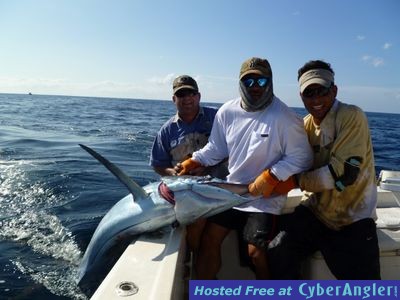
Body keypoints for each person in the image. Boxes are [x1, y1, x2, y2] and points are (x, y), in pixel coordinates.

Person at [178, 57, 313, 279]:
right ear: (240, 83)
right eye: (249, 82)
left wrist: (272, 175)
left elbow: (304, 158)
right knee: (208, 238)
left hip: (264, 199)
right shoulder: (227, 112)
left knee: (256, 254)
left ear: (270, 82)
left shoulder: (285, 117)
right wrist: (196, 160)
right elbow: (216, 148)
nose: (255, 87)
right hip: (232, 194)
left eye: (261, 81)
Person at [269, 60, 381, 279]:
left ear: (335, 90)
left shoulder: (351, 116)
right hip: (315, 213)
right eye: (309, 93)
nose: (316, 99)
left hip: (353, 220)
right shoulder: (304, 125)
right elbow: (286, 160)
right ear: (301, 97)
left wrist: (295, 181)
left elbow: (343, 174)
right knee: (277, 250)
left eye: (322, 91)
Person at [150, 75, 226, 254]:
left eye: (191, 93)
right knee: (197, 225)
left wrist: (207, 167)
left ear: (198, 96)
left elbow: (233, 147)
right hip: (187, 190)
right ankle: (193, 260)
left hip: (221, 184)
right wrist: (174, 172)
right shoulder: (166, 131)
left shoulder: (217, 117)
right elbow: (158, 164)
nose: (187, 98)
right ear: (174, 99)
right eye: (181, 94)